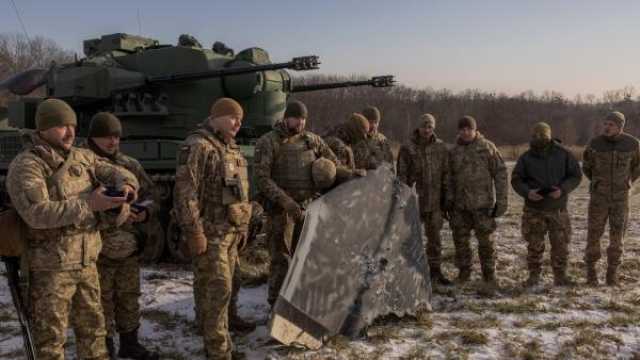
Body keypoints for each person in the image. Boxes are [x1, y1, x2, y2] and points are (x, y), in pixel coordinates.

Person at [6, 98, 139, 360]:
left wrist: (127, 186)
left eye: (73, 125)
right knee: (50, 343)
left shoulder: (83, 157)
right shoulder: (28, 165)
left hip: (88, 264)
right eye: (61, 126)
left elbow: (118, 172)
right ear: (43, 129)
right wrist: (89, 205)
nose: (70, 132)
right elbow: (36, 214)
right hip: (50, 272)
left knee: (94, 335)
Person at [173, 97, 253, 359]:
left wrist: (241, 228)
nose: (238, 123)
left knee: (228, 285)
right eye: (233, 117)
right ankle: (218, 351)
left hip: (230, 232)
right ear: (216, 116)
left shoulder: (230, 147)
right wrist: (194, 231)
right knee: (218, 289)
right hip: (210, 234)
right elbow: (186, 193)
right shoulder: (198, 145)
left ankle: (217, 334)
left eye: (240, 119)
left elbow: (238, 193)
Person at [254, 99, 353, 307]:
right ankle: (276, 305)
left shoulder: (312, 140)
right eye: (296, 118)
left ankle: (298, 301)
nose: (300, 123)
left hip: (307, 207)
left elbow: (334, 164)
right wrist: (285, 201)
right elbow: (262, 179)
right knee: (281, 259)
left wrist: (352, 175)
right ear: (286, 118)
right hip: (281, 211)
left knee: (305, 255)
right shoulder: (268, 142)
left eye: (303, 119)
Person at [86, 112, 159, 359]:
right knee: (100, 301)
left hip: (128, 245)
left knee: (128, 296)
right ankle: (105, 347)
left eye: (116, 136)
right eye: (106, 136)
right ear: (92, 137)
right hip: (97, 248)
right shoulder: (84, 165)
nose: (112, 142)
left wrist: (145, 212)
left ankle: (130, 342)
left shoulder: (130, 165)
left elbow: (152, 195)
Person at [511, 122, 582, 287]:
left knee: (561, 245)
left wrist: (562, 189)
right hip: (534, 210)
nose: (539, 138)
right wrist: (528, 192)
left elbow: (575, 176)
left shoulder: (564, 154)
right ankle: (534, 276)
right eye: (536, 136)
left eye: (543, 135)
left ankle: (560, 277)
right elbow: (516, 179)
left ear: (549, 136)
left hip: (558, 209)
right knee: (534, 246)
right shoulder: (526, 158)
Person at [446, 115, 508, 286]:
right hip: (460, 206)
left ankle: (489, 276)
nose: (466, 132)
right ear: (459, 131)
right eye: (463, 129)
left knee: (486, 243)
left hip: (483, 206)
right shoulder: (453, 151)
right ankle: (464, 274)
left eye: (469, 129)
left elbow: (501, 174)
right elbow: (448, 178)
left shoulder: (487, 147)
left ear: (475, 130)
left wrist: (502, 201)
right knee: (460, 242)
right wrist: (448, 201)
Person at [583, 111, 640, 286]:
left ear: (620, 126)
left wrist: (627, 181)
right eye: (605, 124)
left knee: (617, 237)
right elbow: (587, 166)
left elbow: (638, 166)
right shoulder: (595, 143)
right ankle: (591, 272)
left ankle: (612, 273)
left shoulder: (633, 144)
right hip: (599, 198)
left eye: (611, 124)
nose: (607, 127)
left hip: (621, 199)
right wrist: (599, 183)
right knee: (594, 234)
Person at [397, 113, 451, 285]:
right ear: (418, 127)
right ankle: (411, 274)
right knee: (411, 239)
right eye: (424, 127)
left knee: (435, 240)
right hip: (414, 203)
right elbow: (402, 177)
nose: (427, 130)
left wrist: (447, 198)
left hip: (435, 202)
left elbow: (446, 174)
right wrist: (403, 200)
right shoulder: (407, 148)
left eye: (430, 127)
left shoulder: (441, 147)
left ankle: (435, 273)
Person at [353, 106, 395, 170]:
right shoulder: (354, 137)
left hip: (376, 178)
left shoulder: (382, 140)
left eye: (376, 122)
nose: (373, 125)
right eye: (370, 122)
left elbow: (390, 165)